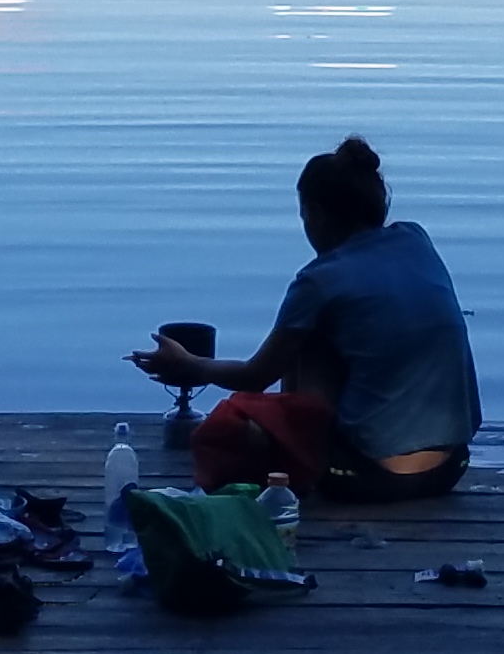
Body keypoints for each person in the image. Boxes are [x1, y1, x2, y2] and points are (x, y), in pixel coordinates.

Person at [129, 138, 479, 500]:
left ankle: (294, 456)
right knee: (335, 328)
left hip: (371, 477)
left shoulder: (319, 279)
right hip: (451, 467)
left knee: (297, 348)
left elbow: (256, 376)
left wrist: (188, 363)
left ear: (316, 214)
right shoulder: (415, 239)